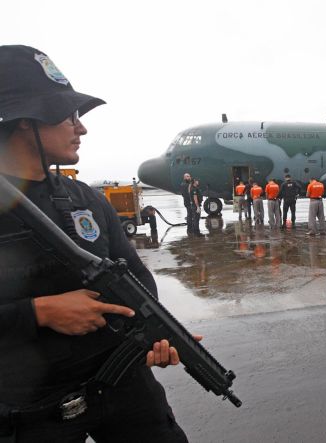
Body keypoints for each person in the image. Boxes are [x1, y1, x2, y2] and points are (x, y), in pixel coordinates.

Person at [0, 45, 189, 441]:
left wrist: (153, 331)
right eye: (68, 116)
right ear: (24, 120)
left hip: (121, 384)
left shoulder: (85, 198)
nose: (80, 128)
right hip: (27, 408)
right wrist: (36, 312)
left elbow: (136, 279)